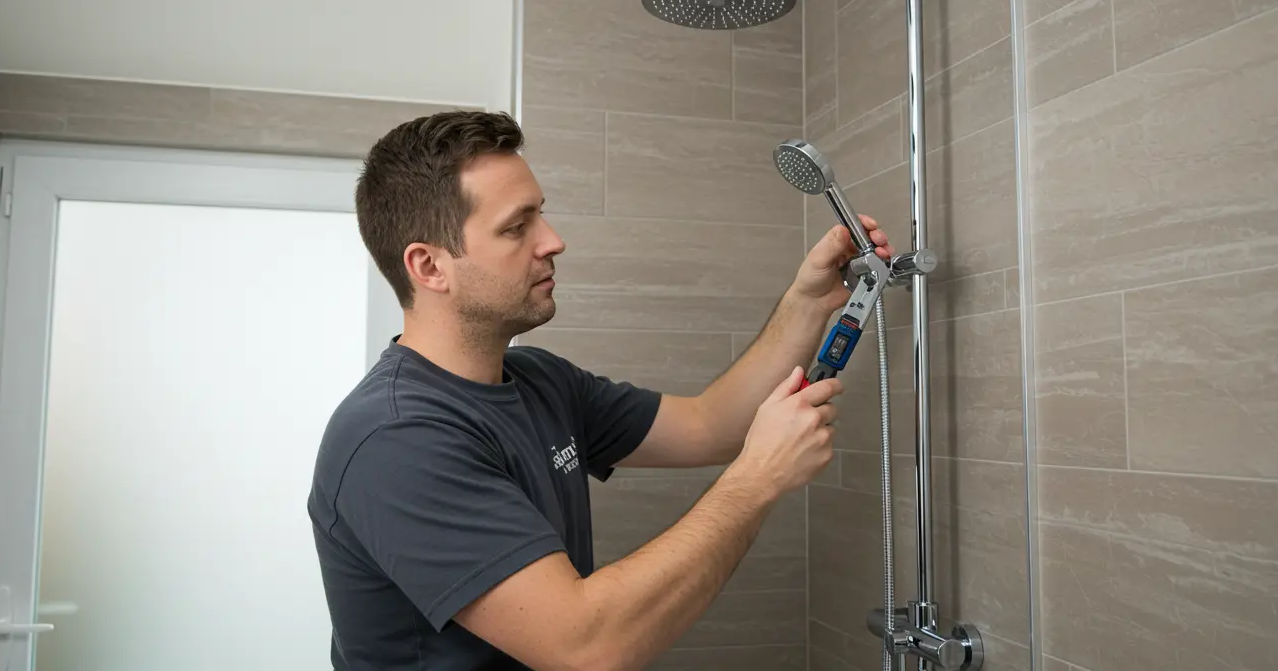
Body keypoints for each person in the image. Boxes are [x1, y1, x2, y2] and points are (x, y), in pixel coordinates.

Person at [307, 110, 893, 671]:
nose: (553, 240)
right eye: (517, 226)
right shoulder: (397, 437)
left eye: (542, 215)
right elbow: (586, 647)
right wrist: (757, 480)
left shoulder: (539, 380)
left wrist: (808, 302)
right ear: (429, 267)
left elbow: (712, 426)